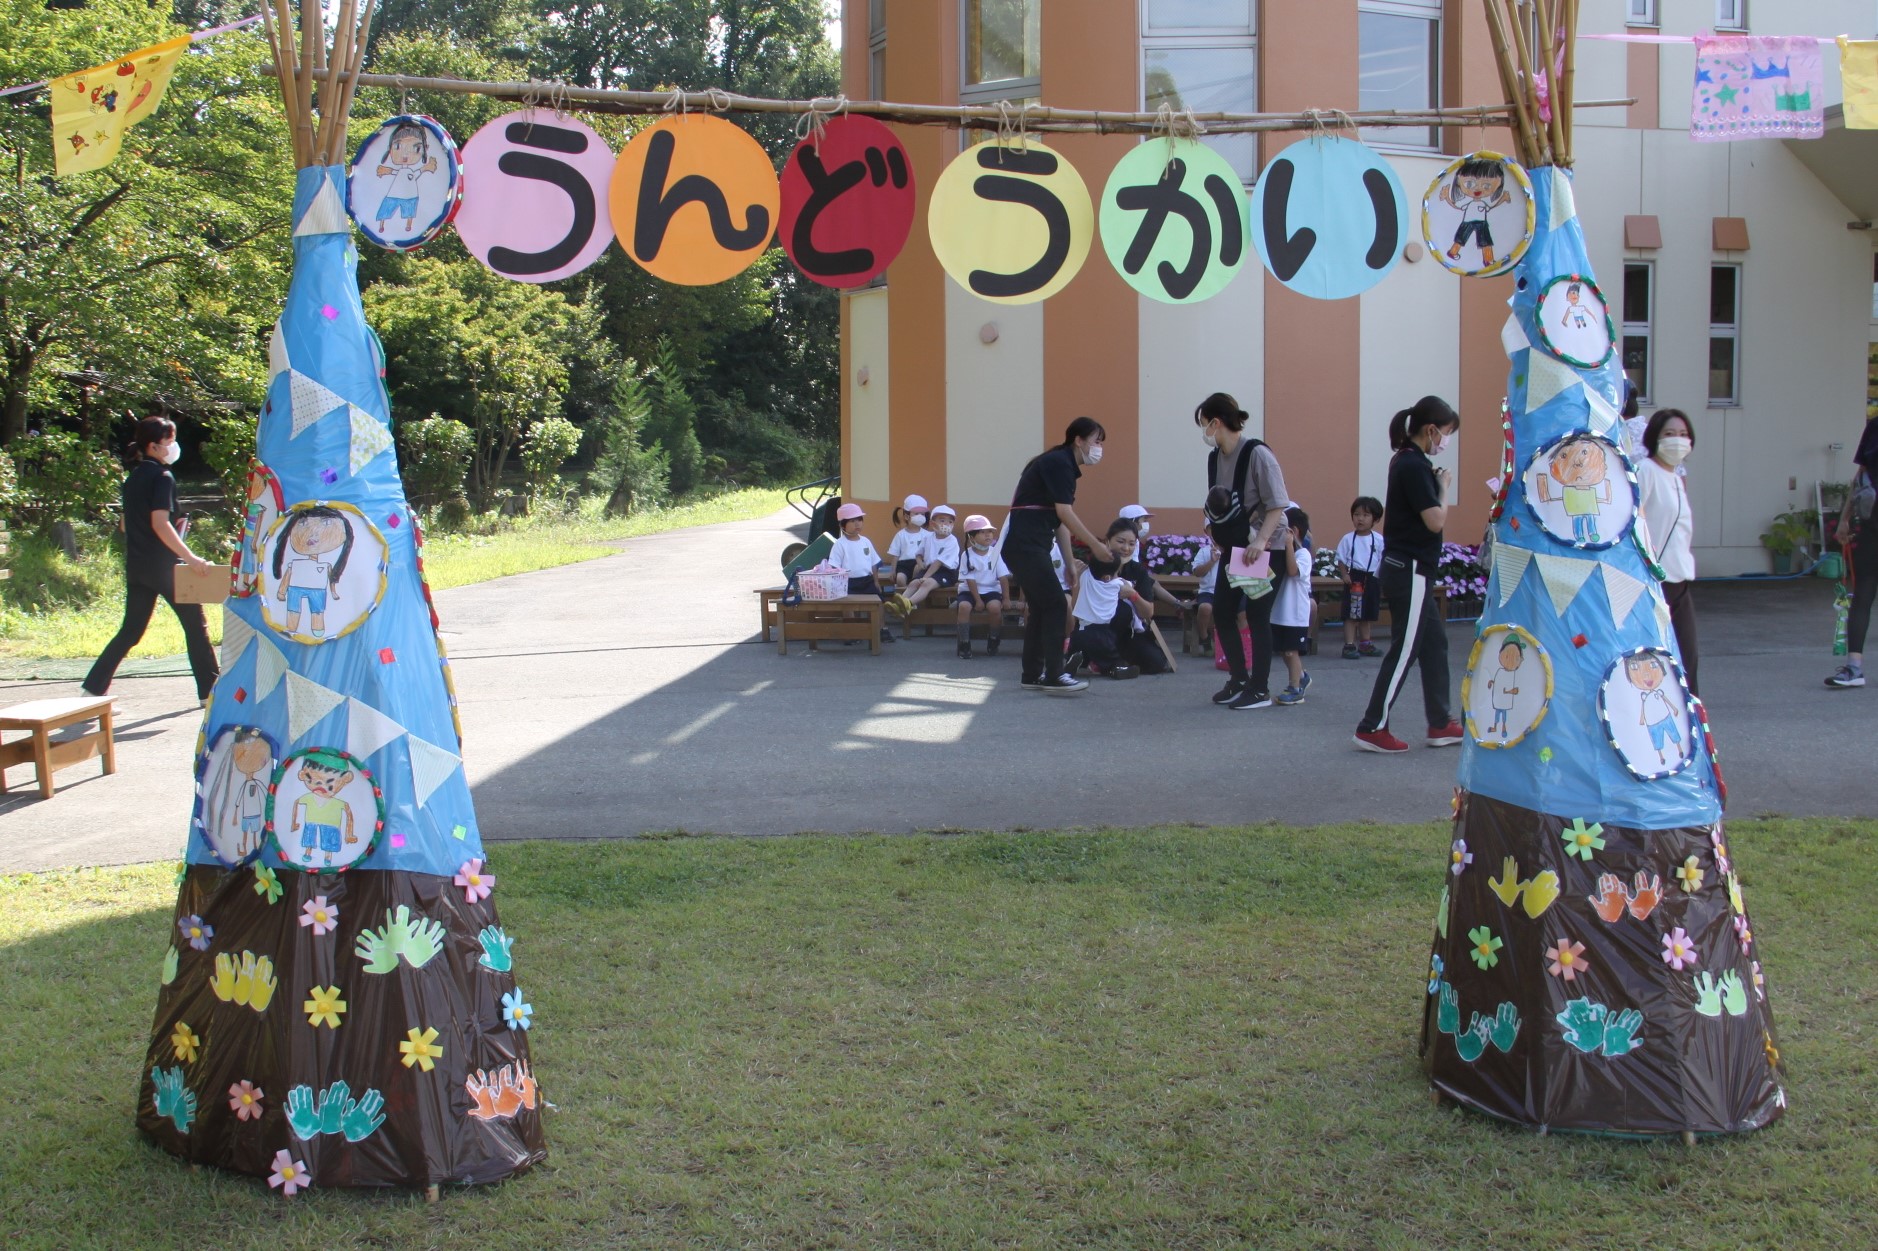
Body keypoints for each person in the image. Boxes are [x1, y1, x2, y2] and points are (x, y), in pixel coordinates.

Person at [1354, 396, 1466, 753]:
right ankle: (1372, 726)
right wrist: (1444, 487)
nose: (1445, 441)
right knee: (1405, 649)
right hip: (1411, 569)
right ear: (1431, 430)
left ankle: (1440, 722)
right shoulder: (1414, 466)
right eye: (1446, 434)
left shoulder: (1405, 459)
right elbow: (1435, 520)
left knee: (1434, 644)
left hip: (1408, 568)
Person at [83, 415, 221, 705]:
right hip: (165, 567)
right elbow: (160, 523)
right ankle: (210, 694)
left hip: (137, 567)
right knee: (196, 627)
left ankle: (93, 688)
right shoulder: (162, 477)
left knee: (131, 630)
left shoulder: (133, 478)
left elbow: (124, 524)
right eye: (169, 441)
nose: (173, 446)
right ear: (154, 446)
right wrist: (191, 558)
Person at [1002, 417, 1113, 695]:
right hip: (1026, 546)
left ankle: (1031, 674)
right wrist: (1095, 546)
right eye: (1095, 441)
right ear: (1078, 440)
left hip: (1028, 546)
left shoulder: (1060, 464)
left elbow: (1058, 520)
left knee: (1042, 607)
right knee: (1054, 605)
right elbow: (1065, 513)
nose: (1099, 448)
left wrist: (1069, 562)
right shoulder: (1060, 464)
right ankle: (1054, 674)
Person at [1196, 392, 1291, 709]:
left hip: (1261, 546)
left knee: (1255, 613)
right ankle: (1238, 679)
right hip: (1234, 546)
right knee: (1222, 611)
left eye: (1204, 424)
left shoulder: (1258, 454)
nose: (1204, 433)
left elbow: (1278, 503)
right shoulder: (1215, 458)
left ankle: (1259, 689)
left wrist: (1260, 542)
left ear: (1216, 422)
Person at [1637, 408, 1700, 695]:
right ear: (1655, 438)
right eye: (1670, 434)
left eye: (1684, 434)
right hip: (1656, 583)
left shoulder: (1675, 476)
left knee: (1688, 659)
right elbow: (1634, 520)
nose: (1678, 440)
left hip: (1679, 580)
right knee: (1661, 661)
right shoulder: (1647, 471)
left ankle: (1693, 726)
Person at [1828, 411, 1878, 688]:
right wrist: (1844, 518)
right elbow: (1860, 476)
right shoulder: (1874, 428)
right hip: (1872, 528)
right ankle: (1853, 668)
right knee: (1862, 597)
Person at [1106, 518, 1185, 675]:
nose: (1125, 548)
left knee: (1155, 663)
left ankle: (1117, 662)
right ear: (1108, 541)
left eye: (1131, 543)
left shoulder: (1138, 571)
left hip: (1130, 631)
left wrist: (1133, 594)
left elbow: (1148, 612)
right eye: (1120, 542)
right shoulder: (1096, 566)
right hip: (1102, 629)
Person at [1067, 548, 1147, 680]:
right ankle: (1116, 669)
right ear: (1108, 576)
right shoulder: (1119, 583)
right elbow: (1128, 588)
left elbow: (1082, 568)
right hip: (1101, 631)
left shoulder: (1084, 576)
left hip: (1080, 630)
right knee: (1111, 656)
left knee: (1078, 650)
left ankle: (1073, 661)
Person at [826, 502, 894, 644]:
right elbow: (834, 566)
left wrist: (876, 582)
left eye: (859, 519)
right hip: (848, 583)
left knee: (879, 602)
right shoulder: (840, 544)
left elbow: (874, 563)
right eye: (852, 521)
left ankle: (882, 629)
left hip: (867, 580)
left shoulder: (866, 542)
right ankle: (851, 632)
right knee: (848, 605)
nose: (857, 524)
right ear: (843, 525)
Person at [1272, 506, 1314, 706]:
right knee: (1283, 650)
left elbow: (1292, 571)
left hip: (1295, 614)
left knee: (1291, 651)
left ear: (1293, 531)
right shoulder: (1281, 554)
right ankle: (1302, 675)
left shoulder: (1303, 554)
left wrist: (1289, 545)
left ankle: (1295, 688)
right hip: (1279, 613)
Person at [1335, 496, 1384, 659]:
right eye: (1356, 515)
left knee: (1367, 613)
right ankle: (1349, 644)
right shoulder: (1348, 539)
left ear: (1375, 519)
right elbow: (1341, 558)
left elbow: (1383, 558)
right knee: (1351, 612)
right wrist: (1344, 574)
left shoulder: (1378, 539)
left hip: (1372, 578)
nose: (1360, 519)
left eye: (1365, 515)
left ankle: (1365, 643)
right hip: (1354, 578)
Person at [955, 514, 1009, 660]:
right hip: (969, 591)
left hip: (991, 590)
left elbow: (1003, 578)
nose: (988, 535)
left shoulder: (995, 553)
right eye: (982, 532)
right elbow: (970, 580)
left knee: (995, 609)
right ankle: (964, 643)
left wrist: (1006, 599)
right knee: (964, 607)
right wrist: (977, 600)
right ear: (971, 537)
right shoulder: (966, 555)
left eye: (990, 531)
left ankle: (993, 638)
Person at [896, 504, 958, 626]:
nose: (946, 524)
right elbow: (919, 554)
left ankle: (907, 604)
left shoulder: (952, 541)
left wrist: (926, 577)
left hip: (945, 571)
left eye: (950, 522)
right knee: (914, 583)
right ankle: (898, 605)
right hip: (929, 569)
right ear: (932, 523)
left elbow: (938, 562)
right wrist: (920, 563)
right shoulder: (928, 537)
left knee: (927, 583)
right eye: (942, 520)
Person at [887, 493, 933, 599]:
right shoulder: (901, 535)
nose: (920, 517)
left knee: (917, 570)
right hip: (903, 564)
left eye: (922, 514)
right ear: (907, 516)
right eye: (916, 514)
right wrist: (892, 570)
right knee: (900, 579)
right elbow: (895, 554)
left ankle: (911, 600)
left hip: (919, 563)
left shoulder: (928, 535)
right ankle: (903, 599)